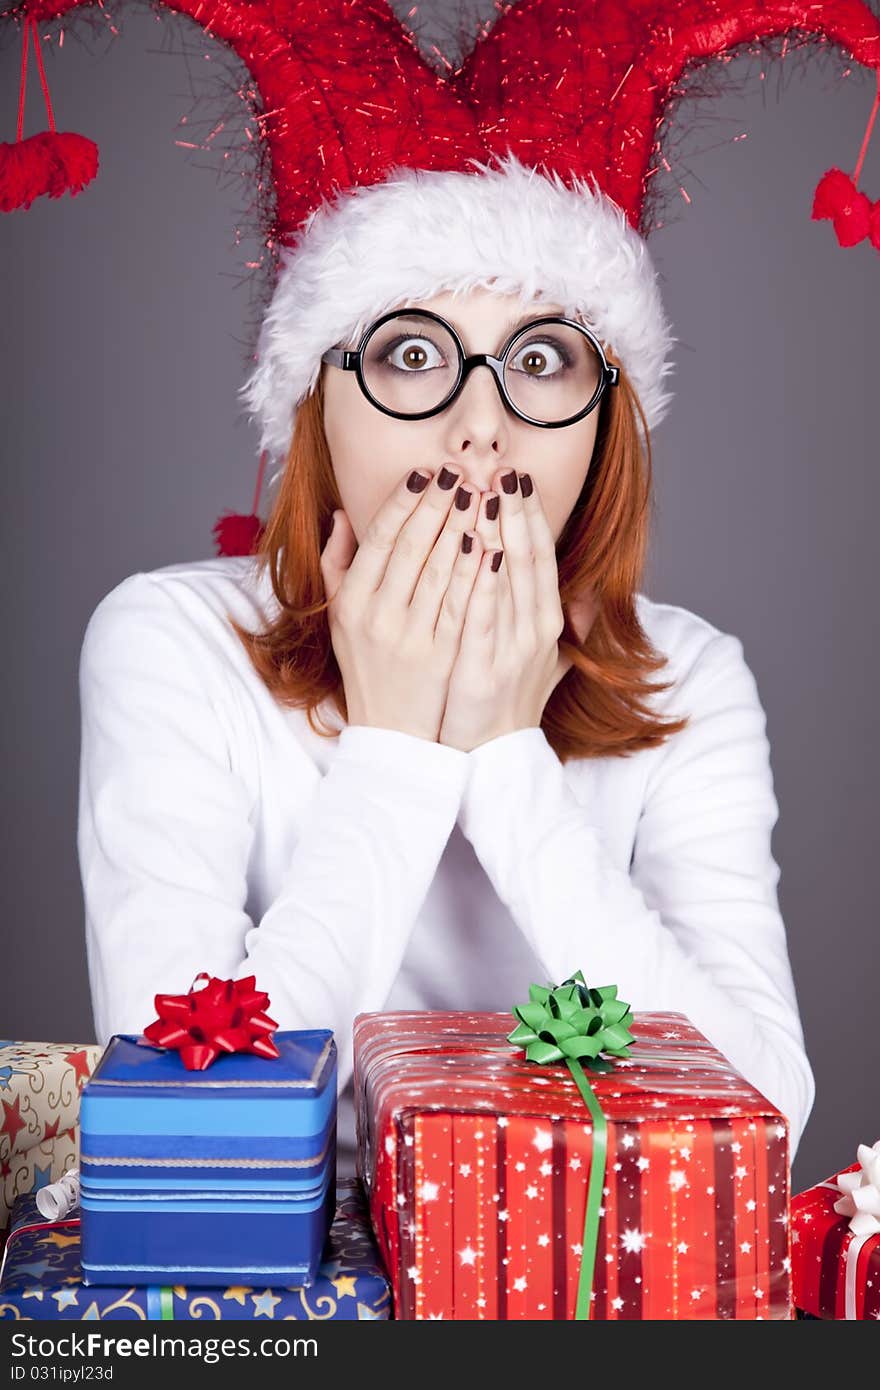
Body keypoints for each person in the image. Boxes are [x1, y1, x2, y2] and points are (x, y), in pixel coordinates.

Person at [77, 157, 815, 1178]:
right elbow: (192, 1135)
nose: (480, 427)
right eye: (413, 352)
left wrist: (508, 754)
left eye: (543, 359)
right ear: (315, 406)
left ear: (606, 422)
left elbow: (763, 1120)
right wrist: (396, 747)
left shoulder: (688, 677)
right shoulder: (173, 640)